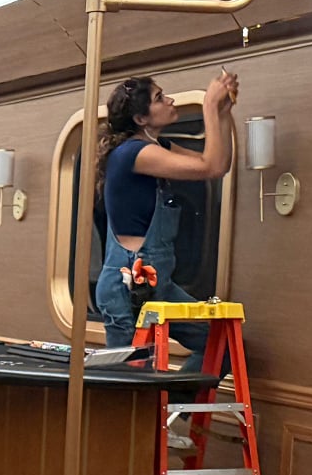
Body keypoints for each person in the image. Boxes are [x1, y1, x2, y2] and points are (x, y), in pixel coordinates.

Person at [93, 71, 238, 366]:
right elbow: (208, 168)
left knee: (221, 349)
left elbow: (218, 165)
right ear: (140, 119)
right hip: (127, 289)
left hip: (158, 285)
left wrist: (223, 113)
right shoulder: (133, 153)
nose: (170, 100)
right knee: (128, 389)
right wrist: (208, 105)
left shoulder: (158, 148)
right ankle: (151, 412)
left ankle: (175, 413)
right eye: (160, 98)